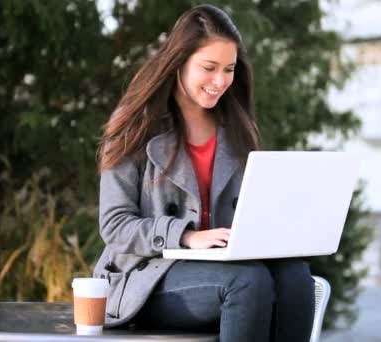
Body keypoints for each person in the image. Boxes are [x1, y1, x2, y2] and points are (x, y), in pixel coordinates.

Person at [93, 4, 315, 342]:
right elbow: (115, 225)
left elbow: (250, 211)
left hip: (225, 265)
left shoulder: (238, 129)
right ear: (179, 62)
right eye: (209, 68)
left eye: (229, 69)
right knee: (247, 282)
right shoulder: (135, 126)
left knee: (296, 277)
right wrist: (184, 236)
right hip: (146, 277)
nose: (220, 81)